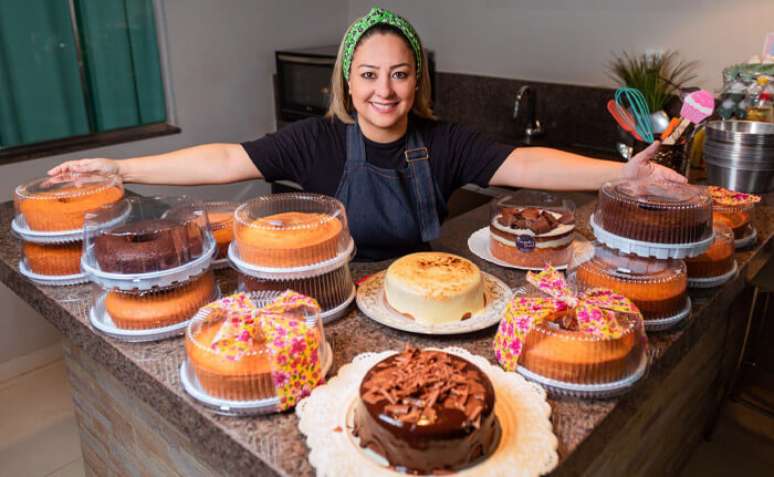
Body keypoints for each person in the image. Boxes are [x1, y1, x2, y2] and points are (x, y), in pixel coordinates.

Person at [50, 7, 684, 261]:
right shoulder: (316, 141)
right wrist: (120, 168)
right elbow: (222, 158)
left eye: (400, 75)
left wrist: (617, 173)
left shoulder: (444, 141)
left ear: (417, 83)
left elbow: (524, 163)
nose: (385, 90)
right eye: (370, 75)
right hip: (336, 295)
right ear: (347, 84)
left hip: (426, 289)